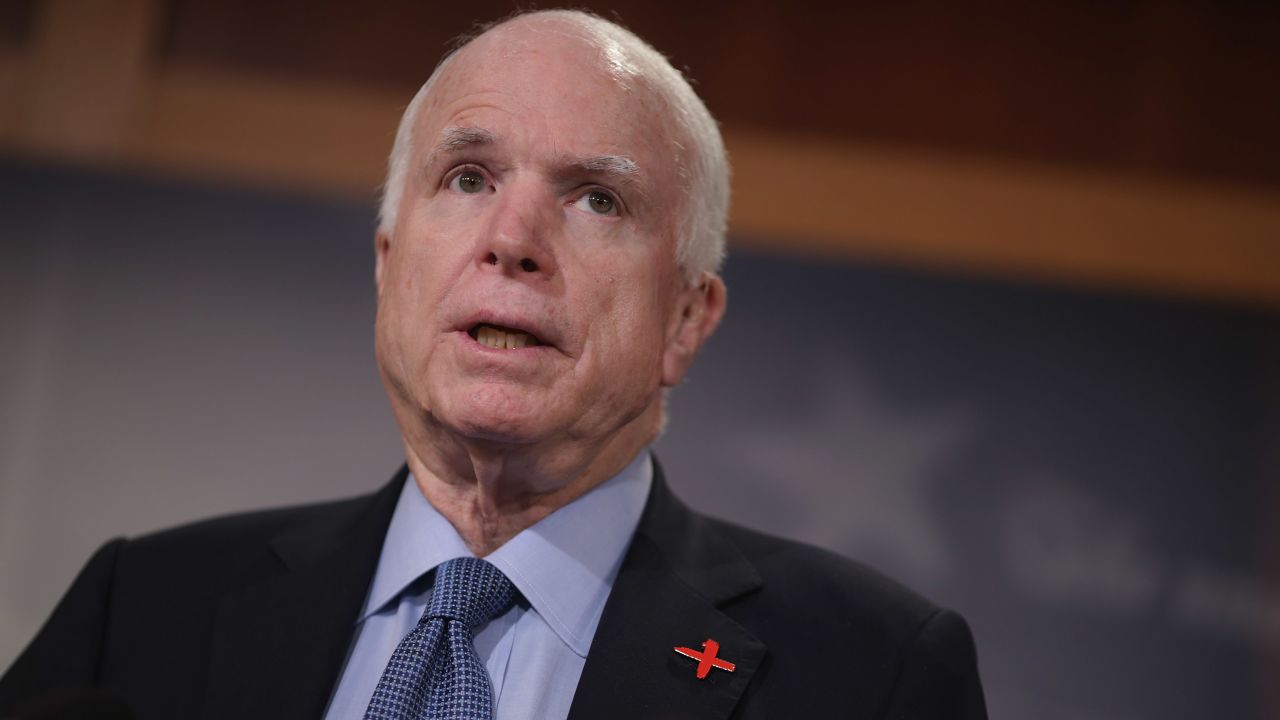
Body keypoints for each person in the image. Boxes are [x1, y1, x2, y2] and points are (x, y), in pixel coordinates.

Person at [0, 9, 986, 720]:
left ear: (686, 318)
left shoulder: (872, 675)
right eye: (467, 178)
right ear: (389, 266)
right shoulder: (143, 610)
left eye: (596, 198)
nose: (512, 239)